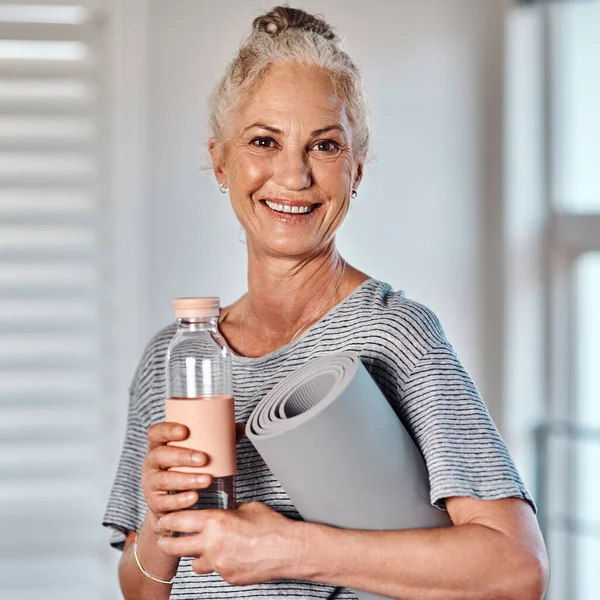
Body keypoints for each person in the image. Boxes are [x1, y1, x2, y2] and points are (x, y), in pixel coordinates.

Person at [103, 6, 549, 600]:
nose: (293, 175)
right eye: (264, 141)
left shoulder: (395, 335)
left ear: (357, 166)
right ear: (220, 160)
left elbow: (518, 570)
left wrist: (288, 548)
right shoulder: (177, 354)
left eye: (325, 145)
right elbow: (141, 588)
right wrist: (162, 522)